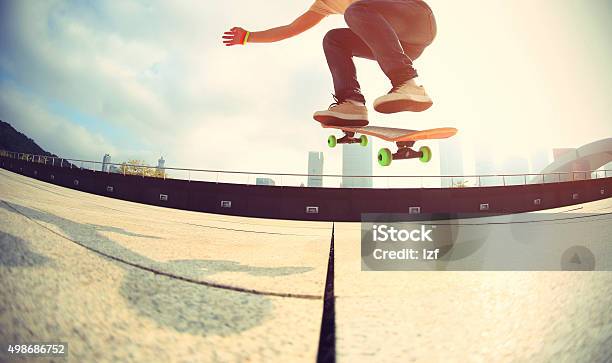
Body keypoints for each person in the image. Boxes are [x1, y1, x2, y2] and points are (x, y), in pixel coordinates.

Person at [223, 0, 436, 127]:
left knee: (355, 11)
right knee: (334, 39)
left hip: (416, 19)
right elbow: (289, 29)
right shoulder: (323, 5)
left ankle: (408, 83)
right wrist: (247, 37)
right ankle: (352, 104)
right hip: (400, 45)